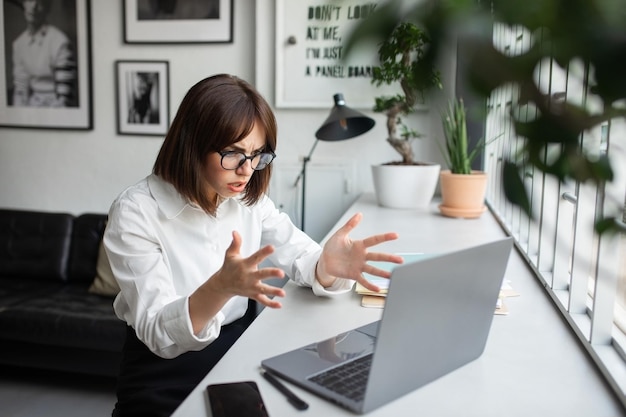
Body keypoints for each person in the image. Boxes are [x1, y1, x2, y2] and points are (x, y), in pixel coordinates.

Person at [104, 74, 403, 417]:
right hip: (163, 372)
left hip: (237, 349)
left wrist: (327, 266)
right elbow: (158, 332)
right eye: (233, 154)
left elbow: (300, 255)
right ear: (192, 143)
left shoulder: (247, 200)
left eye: (257, 154)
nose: (247, 170)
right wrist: (218, 289)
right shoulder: (135, 211)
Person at [11, 0, 77, 107]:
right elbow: (20, 90)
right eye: (29, 0)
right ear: (24, 4)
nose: (33, 6)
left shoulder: (60, 42)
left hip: (55, 110)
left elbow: (64, 99)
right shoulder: (19, 44)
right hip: (32, 109)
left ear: (47, 8)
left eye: (40, 2)